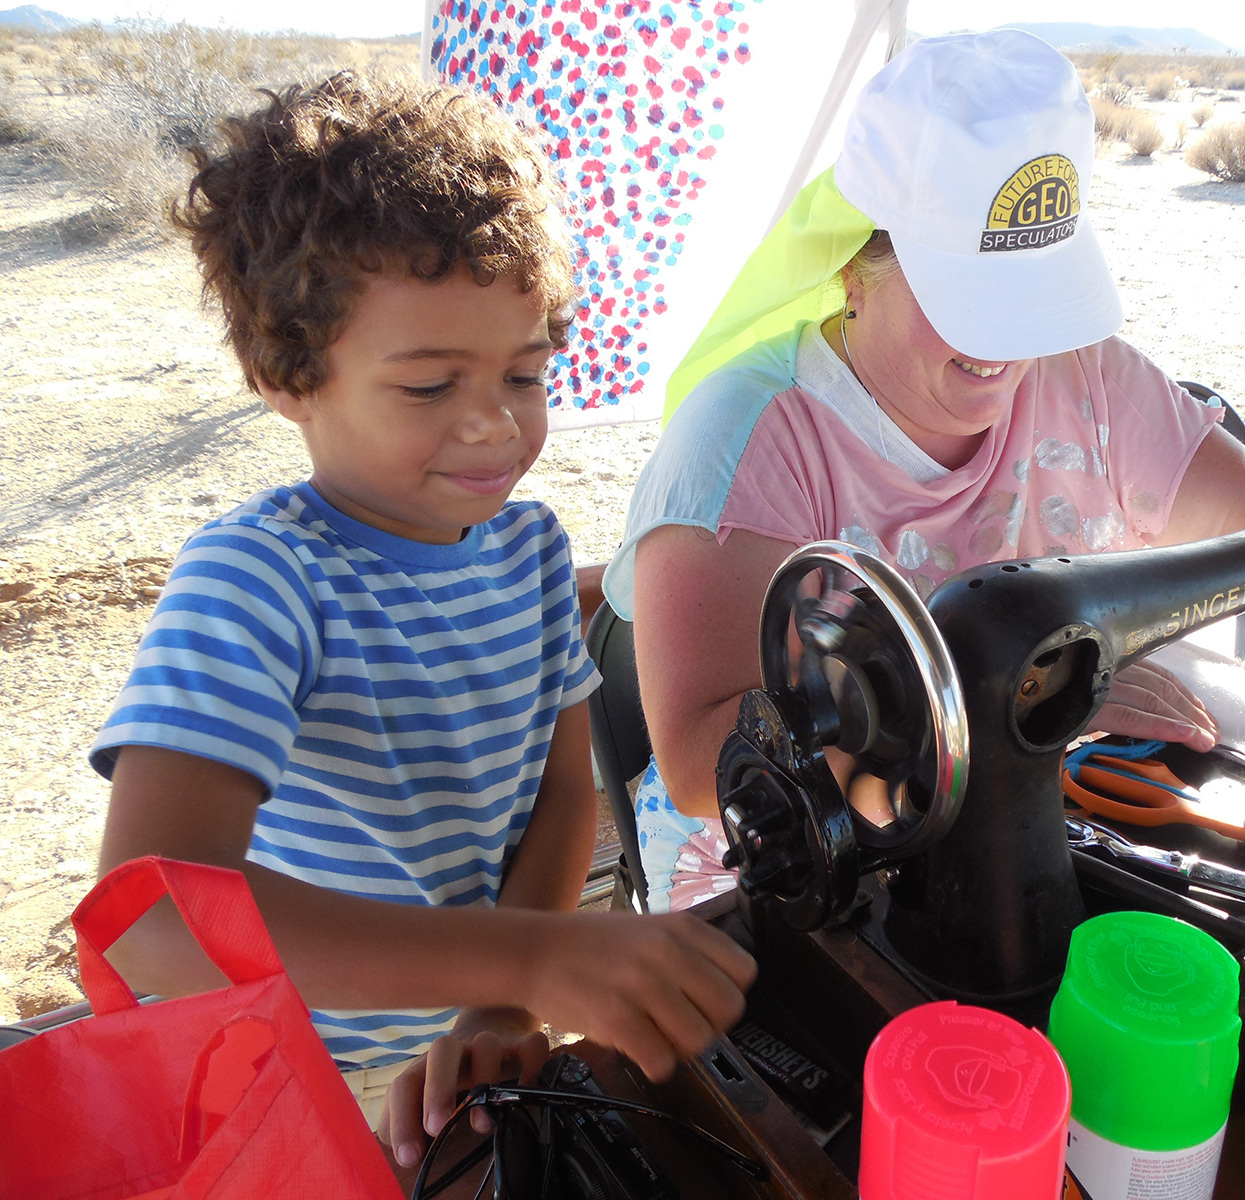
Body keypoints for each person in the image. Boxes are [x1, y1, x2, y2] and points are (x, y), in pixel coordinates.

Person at [602, 30, 1245, 913]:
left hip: (1033, 814)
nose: (1008, 346)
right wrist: (1023, 710)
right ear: (856, 264)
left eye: (1030, 298)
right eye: (971, 296)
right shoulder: (748, 440)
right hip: (791, 869)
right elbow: (697, 758)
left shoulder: (1084, 375)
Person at [89, 74, 755, 1170]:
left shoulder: (530, 551)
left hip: (464, 1054)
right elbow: (153, 917)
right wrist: (522, 963)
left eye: (524, 372)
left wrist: (500, 1001)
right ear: (286, 376)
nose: (493, 426)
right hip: (290, 1078)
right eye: (429, 386)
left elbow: (555, 795)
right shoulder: (260, 582)